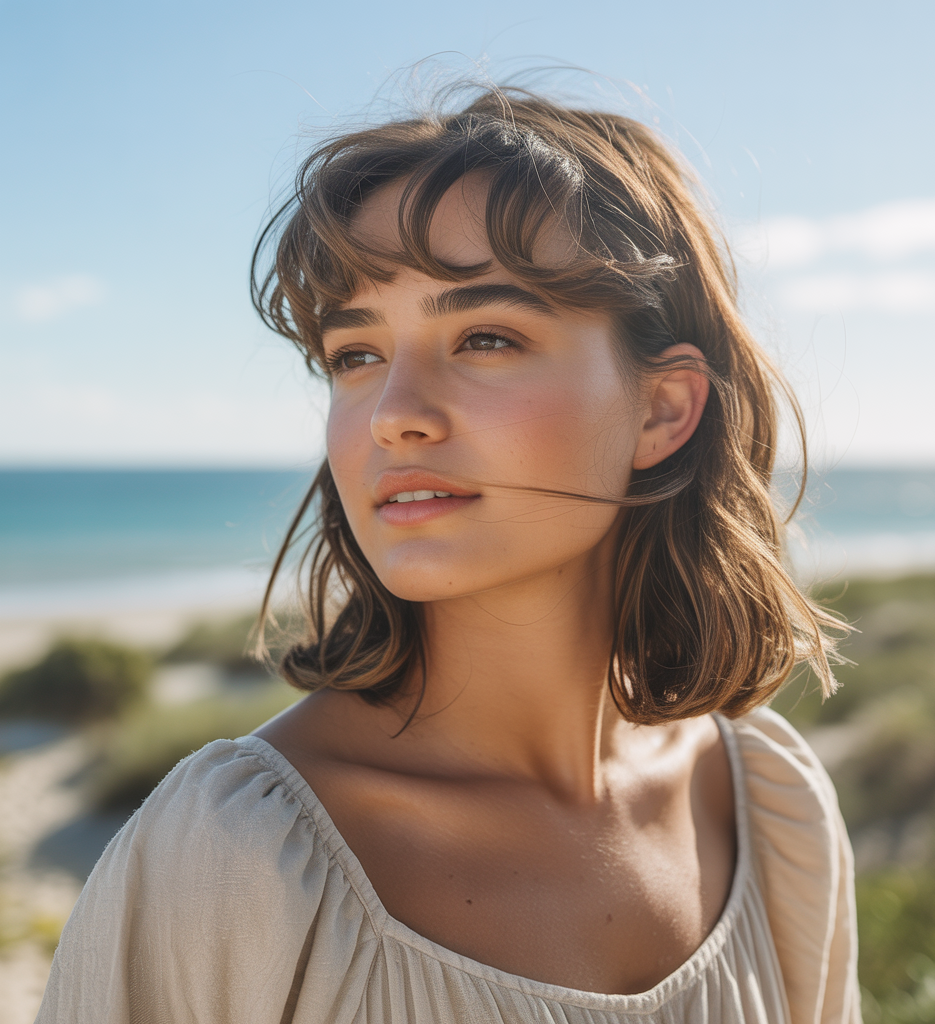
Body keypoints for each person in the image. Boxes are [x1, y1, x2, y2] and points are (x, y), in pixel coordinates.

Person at [37, 88, 860, 1024]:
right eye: (355, 355)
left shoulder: (766, 804)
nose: (394, 414)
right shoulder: (239, 852)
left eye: (484, 337)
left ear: (663, 410)